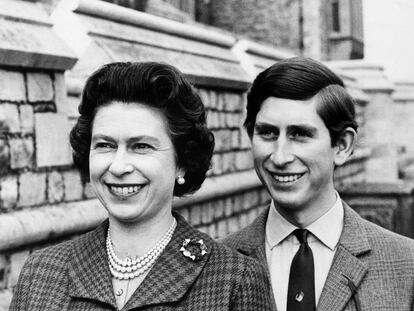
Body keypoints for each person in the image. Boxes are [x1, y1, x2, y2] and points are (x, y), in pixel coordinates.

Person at [10, 62, 272, 310]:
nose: (118, 166)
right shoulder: (41, 273)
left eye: (141, 147)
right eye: (105, 145)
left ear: (182, 162)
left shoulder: (233, 280)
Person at [222, 57, 414, 311]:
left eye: (300, 134)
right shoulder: (219, 263)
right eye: (267, 133)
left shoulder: (405, 264)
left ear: (342, 146)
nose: (280, 157)